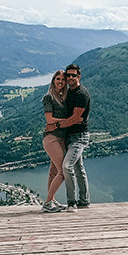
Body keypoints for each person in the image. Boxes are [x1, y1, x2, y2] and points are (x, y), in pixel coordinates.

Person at [47, 64, 90, 211]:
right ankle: (84, 201)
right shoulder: (68, 92)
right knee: (79, 169)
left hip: (78, 137)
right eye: (68, 75)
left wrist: (56, 126)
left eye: (74, 75)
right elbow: (69, 117)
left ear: (79, 76)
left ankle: (72, 202)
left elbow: (75, 118)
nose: (70, 77)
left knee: (67, 167)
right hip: (68, 137)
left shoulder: (81, 94)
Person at [40, 71, 69, 212]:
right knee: (63, 171)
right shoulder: (49, 97)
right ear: (53, 81)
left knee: (53, 172)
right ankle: (47, 203)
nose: (60, 82)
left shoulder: (64, 97)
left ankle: (52, 201)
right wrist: (68, 121)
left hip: (61, 139)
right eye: (58, 79)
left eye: (63, 79)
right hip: (51, 138)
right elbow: (49, 120)